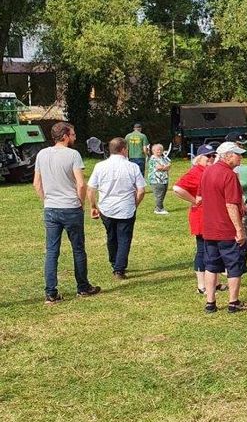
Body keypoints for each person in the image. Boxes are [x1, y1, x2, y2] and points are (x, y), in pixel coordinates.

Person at [33, 121, 101, 304]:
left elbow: (36, 184)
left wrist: (46, 201)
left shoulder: (41, 154)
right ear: (65, 136)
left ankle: (50, 293)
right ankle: (83, 287)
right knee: (78, 249)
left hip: (51, 208)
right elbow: (80, 183)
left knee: (51, 251)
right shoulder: (73, 155)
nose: (75, 137)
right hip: (71, 208)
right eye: (73, 134)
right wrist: (80, 202)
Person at [199, 141, 247, 313]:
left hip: (209, 228)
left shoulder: (207, 172)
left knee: (211, 265)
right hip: (226, 229)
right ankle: (233, 302)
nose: (240, 157)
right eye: (238, 154)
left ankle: (210, 303)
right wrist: (239, 230)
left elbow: (201, 198)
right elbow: (231, 205)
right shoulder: (229, 175)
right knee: (234, 265)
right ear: (228, 156)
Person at [87, 137, 146, 280]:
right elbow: (141, 190)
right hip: (126, 208)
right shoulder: (132, 167)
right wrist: (135, 204)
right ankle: (119, 269)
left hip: (106, 208)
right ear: (124, 149)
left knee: (111, 236)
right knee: (124, 238)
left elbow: (90, 189)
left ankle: (114, 262)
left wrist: (93, 206)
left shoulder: (100, 166)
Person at [173, 144, 228, 294]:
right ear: (199, 158)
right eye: (207, 156)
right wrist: (194, 200)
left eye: (213, 156)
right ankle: (201, 285)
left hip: (212, 216)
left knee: (213, 250)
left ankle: (215, 282)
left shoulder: (209, 170)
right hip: (201, 217)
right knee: (203, 250)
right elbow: (177, 188)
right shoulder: (195, 172)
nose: (211, 158)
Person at [146, 143, 171, 215]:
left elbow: (169, 165)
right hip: (156, 180)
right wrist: (165, 167)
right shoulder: (153, 158)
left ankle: (158, 207)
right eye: (157, 150)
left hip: (164, 179)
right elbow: (159, 167)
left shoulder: (162, 158)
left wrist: (165, 167)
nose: (159, 151)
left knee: (162, 194)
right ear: (153, 151)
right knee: (159, 194)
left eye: (160, 150)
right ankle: (159, 209)